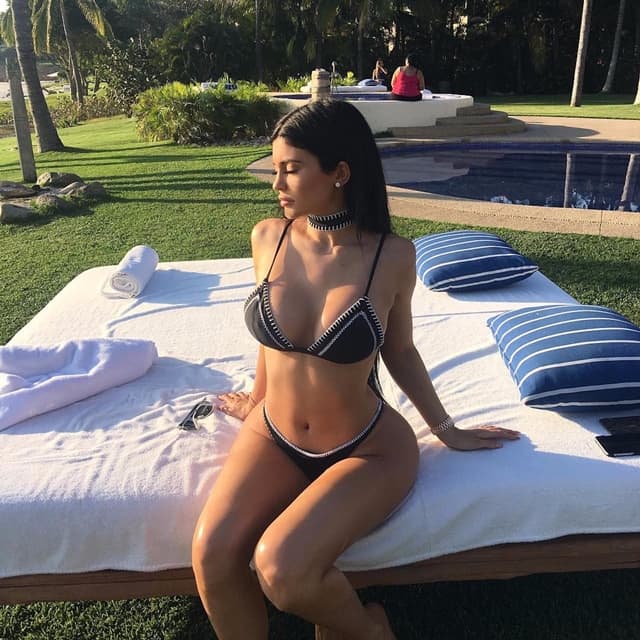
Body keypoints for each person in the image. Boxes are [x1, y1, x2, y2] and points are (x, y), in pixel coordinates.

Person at [192, 98, 520, 640]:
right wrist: (256, 397)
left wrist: (447, 429)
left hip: (367, 449)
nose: (276, 183)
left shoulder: (391, 256)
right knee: (211, 554)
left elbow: (400, 351)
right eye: (275, 168)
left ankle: (371, 631)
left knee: (282, 568)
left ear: (339, 172)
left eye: (291, 168)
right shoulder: (268, 237)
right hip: (274, 434)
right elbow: (272, 341)